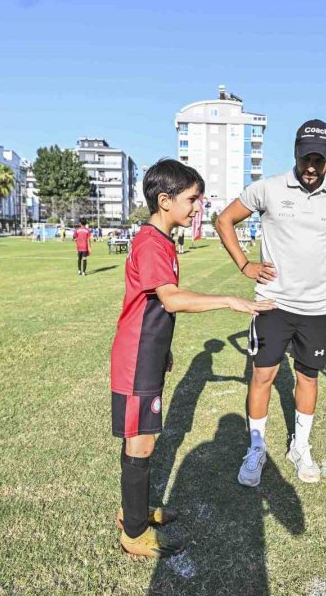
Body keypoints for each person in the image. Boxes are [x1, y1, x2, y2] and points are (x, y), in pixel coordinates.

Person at [110, 158, 274, 558]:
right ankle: (133, 532)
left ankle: (134, 511)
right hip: (135, 357)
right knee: (142, 442)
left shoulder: (163, 240)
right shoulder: (150, 242)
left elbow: (152, 304)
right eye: (192, 199)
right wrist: (231, 301)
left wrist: (163, 349)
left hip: (148, 352)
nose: (198, 206)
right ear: (164, 201)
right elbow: (170, 299)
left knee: (141, 438)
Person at [215, 119, 326, 487]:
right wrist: (244, 264)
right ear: (294, 151)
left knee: (308, 377)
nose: (310, 167)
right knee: (262, 376)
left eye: (318, 161)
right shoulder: (268, 189)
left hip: (318, 308)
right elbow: (224, 219)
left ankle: (299, 447)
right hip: (272, 304)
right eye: (305, 158)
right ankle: (256, 448)